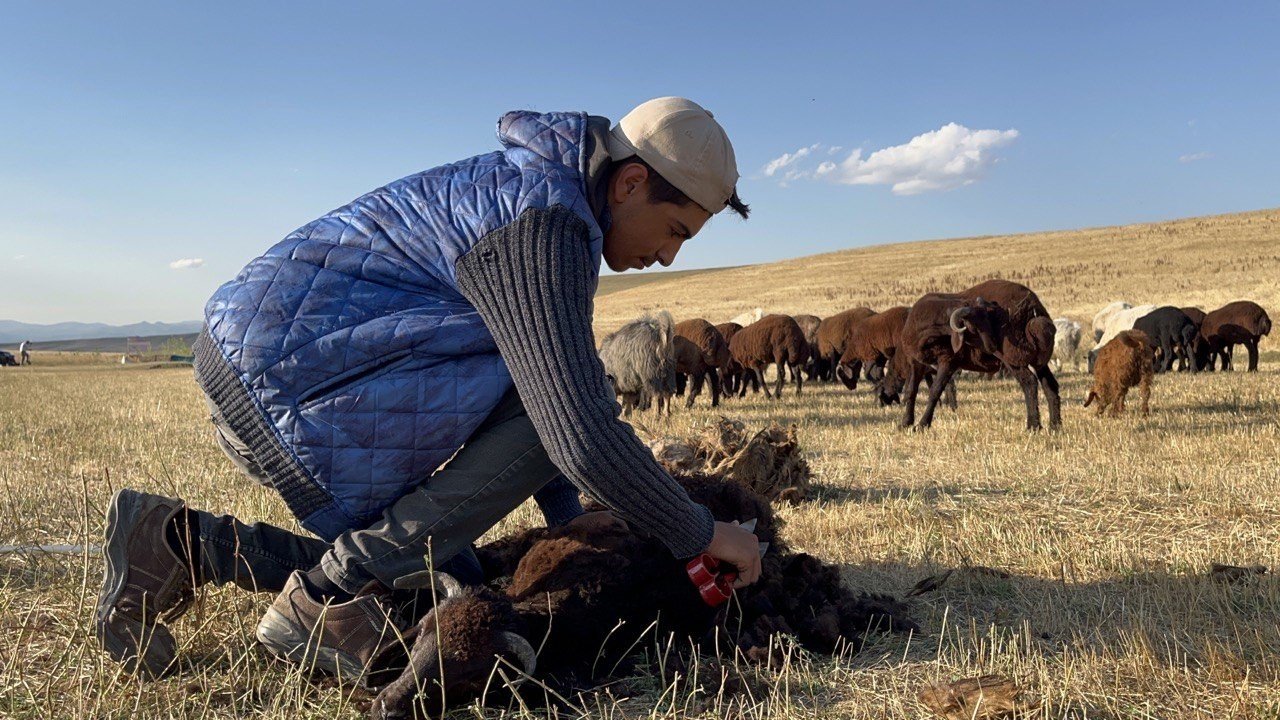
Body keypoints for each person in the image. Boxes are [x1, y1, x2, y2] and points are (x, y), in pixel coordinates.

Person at [95, 97, 761, 681]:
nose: (670, 256)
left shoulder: (540, 197)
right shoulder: (544, 225)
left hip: (286, 368)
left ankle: (179, 542)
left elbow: (535, 383)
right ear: (631, 182)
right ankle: (325, 599)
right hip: (292, 376)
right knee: (403, 559)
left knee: (445, 572)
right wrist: (697, 531)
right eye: (675, 232)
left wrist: (567, 518)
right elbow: (573, 429)